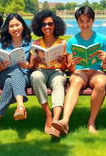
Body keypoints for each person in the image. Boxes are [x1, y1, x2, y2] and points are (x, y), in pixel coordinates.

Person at [52, 5, 106, 135]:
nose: (85, 24)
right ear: (77, 22)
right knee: (75, 82)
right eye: (81, 21)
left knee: (101, 83)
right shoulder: (72, 41)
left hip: (96, 72)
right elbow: (71, 69)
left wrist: (105, 60)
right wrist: (72, 63)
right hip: (80, 72)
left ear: (93, 21)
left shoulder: (102, 39)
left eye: (88, 21)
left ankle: (91, 122)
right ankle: (65, 121)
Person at [0, 13, 32, 136]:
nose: (15, 28)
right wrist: (1, 67)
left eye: (17, 25)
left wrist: (25, 64)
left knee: (13, 76)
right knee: (12, 72)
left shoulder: (30, 43)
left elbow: (31, 66)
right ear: (8, 29)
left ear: (23, 26)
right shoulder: (2, 44)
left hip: (24, 77)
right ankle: (20, 106)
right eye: (11, 26)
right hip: (3, 76)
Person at [30, 10, 67, 138]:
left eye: (50, 24)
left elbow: (65, 67)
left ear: (55, 25)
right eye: (44, 24)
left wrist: (62, 62)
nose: (47, 27)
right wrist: (35, 62)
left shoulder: (62, 43)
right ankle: (48, 116)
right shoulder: (36, 44)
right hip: (41, 70)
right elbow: (31, 67)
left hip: (57, 71)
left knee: (58, 82)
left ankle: (56, 121)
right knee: (35, 76)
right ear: (39, 26)